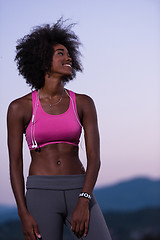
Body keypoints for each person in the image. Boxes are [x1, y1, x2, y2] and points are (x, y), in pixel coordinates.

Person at [7, 19, 112, 240]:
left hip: (79, 187)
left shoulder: (83, 103)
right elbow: (15, 163)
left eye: (68, 53)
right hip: (40, 193)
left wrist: (84, 198)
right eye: (60, 53)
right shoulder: (19, 108)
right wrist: (23, 212)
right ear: (43, 60)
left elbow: (94, 157)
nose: (68, 57)